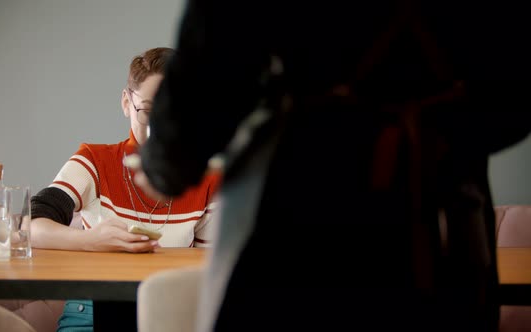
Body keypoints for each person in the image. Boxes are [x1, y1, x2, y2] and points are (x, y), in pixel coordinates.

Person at [130, 1, 531, 331]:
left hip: (298, 234)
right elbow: (511, 103)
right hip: (446, 227)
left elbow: (207, 75)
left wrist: (164, 163)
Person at [29, 47, 222, 331]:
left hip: (166, 315)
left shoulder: (206, 178)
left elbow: (208, 270)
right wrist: (91, 241)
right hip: (92, 315)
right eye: (148, 111)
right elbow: (30, 225)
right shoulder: (94, 161)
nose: (160, 129)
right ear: (125, 102)